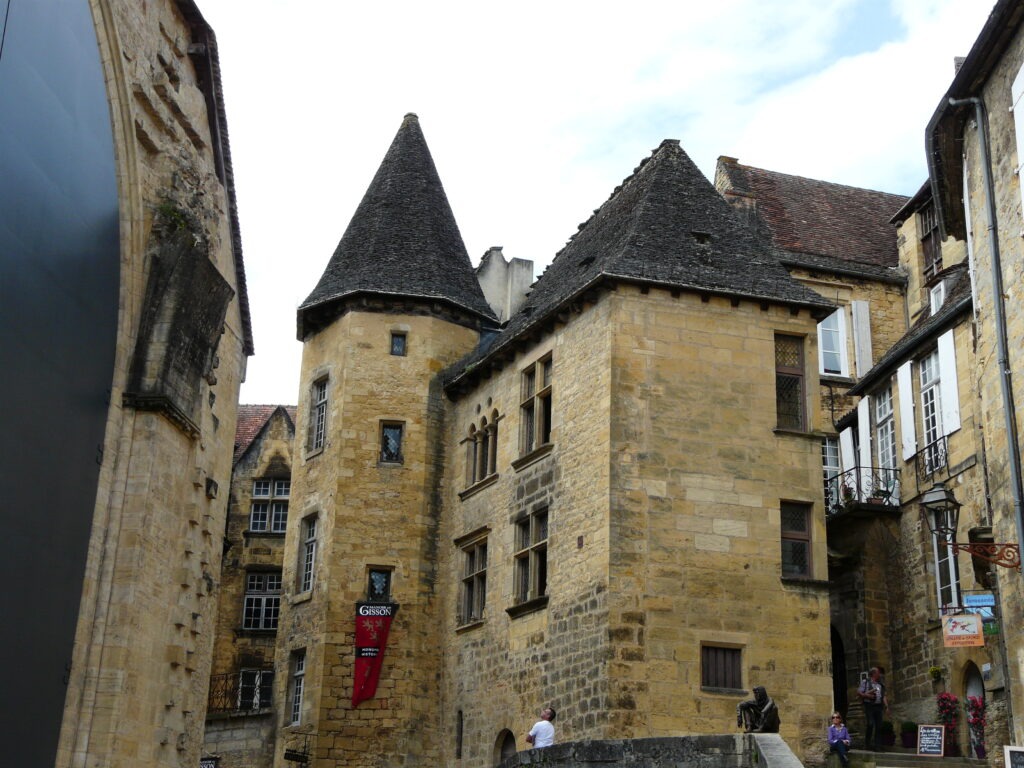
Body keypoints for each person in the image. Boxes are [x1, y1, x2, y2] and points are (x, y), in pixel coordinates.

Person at [857, 667, 888, 750]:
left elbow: (884, 695)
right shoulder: (865, 682)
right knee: (870, 724)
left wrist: (886, 706)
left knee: (879, 726)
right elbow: (859, 692)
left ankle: (877, 746)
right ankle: (867, 744)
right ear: (874, 674)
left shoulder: (880, 684)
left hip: (878, 707)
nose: (880, 675)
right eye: (878, 673)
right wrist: (867, 695)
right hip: (869, 706)